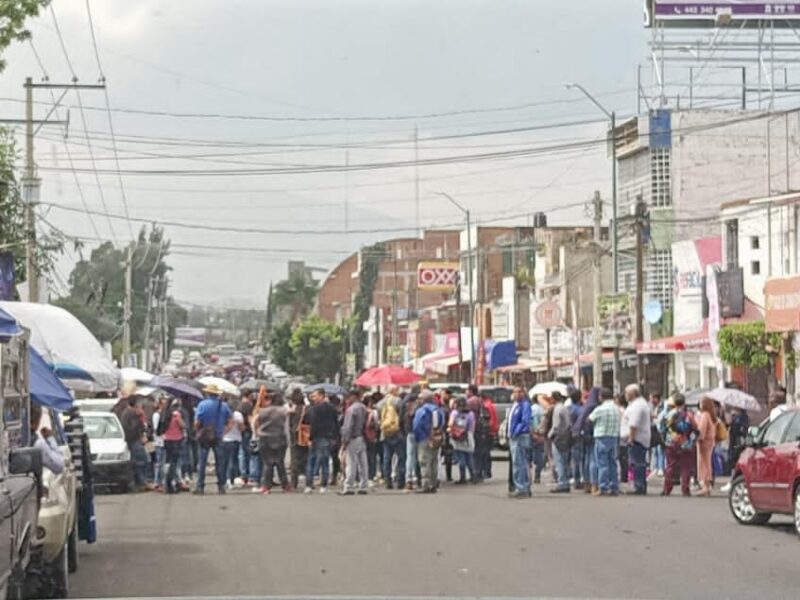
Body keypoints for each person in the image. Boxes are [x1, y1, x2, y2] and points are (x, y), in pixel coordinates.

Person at [193, 384, 233, 495]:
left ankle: (200, 486)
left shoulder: (202, 405)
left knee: (202, 462)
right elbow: (230, 421)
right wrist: (224, 431)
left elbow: (197, 422)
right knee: (220, 462)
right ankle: (221, 486)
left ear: (207, 393)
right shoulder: (224, 405)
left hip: (205, 436)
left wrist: (198, 431)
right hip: (218, 436)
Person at [660, 393, 698, 497]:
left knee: (670, 466)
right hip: (686, 444)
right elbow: (695, 428)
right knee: (686, 467)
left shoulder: (668, 414)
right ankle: (685, 489)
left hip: (671, 442)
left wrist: (664, 440)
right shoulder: (689, 415)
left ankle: (667, 488)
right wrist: (692, 440)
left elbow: (662, 428)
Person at [254, 391, 291, 494]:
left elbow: (254, 422)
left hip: (264, 438)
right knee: (280, 462)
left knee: (267, 463)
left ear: (269, 400)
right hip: (280, 437)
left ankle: (266, 486)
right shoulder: (283, 411)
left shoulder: (262, 411)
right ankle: (285, 485)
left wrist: (256, 432)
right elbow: (287, 425)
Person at [305, 389, 339, 494]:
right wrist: (335, 437)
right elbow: (336, 423)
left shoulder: (313, 409)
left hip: (316, 437)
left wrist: (310, 438)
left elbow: (311, 424)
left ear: (321, 396)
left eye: (315, 396)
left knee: (311, 461)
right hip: (329, 437)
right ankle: (324, 485)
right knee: (325, 462)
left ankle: (309, 485)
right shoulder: (332, 408)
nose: (313, 398)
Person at [588, 388, 621, 496]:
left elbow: (589, 419)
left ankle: (603, 487)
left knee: (602, 463)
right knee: (613, 463)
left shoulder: (600, 409)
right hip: (614, 436)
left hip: (601, 436)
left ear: (601, 397)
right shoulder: (617, 409)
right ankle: (614, 486)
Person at [412, 390, 445, 494]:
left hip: (423, 438)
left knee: (424, 461)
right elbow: (442, 422)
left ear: (424, 399)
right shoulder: (438, 410)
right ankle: (433, 483)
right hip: (436, 438)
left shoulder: (421, 411)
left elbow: (416, 425)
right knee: (434, 461)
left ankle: (425, 484)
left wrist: (419, 436)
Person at [623, 384, 651, 495]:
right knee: (637, 462)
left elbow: (634, 424)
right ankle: (639, 484)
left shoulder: (638, 405)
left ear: (632, 394)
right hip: (639, 438)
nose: (625, 395)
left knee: (637, 463)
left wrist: (631, 438)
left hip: (638, 439)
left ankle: (639, 486)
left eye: (626, 393)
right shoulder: (636, 404)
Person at [340, 391, 369, 495]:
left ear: (353, 397)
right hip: (362, 437)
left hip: (353, 438)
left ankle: (349, 486)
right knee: (363, 463)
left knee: (351, 462)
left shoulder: (351, 410)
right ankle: (364, 485)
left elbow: (348, 427)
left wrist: (344, 440)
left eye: (347, 398)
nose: (346, 400)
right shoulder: (364, 408)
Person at [377, 387, 406, 490]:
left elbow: (379, 419)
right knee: (401, 457)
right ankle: (400, 481)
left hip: (385, 433)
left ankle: (387, 481)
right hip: (398, 433)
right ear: (394, 391)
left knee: (387, 458)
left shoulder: (380, 403)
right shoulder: (399, 401)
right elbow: (402, 418)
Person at [573, 387, 600, 495]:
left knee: (586, 459)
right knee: (592, 459)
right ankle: (591, 481)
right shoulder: (594, 406)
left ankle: (586, 482)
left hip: (583, 435)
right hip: (590, 434)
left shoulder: (586, 405)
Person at [507, 386, 532, 499]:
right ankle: (523, 487)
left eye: (519, 392)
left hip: (520, 437)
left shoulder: (524, 405)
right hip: (514, 437)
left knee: (519, 463)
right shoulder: (515, 405)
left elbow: (524, 421)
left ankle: (521, 487)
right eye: (515, 392)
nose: (517, 394)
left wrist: (516, 432)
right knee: (519, 462)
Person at [121, 396, 150, 491]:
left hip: (130, 440)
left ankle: (140, 482)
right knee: (141, 461)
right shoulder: (132, 414)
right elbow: (135, 427)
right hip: (134, 440)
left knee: (138, 461)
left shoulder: (125, 412)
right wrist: (141, 432)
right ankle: (142, 482)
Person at [30, 402, 65, 475]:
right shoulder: (38, 444)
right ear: (36, 421)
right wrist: (50, 439)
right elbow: (59, 465)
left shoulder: (7, 437)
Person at [448, 396, 476, 485]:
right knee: (469, 457)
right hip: (468, 436)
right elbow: (473, 426)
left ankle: (462, 477)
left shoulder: (455, 413)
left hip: (458, 435)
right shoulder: (471, 413)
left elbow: (450, 424)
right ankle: (473, 476)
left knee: (461, 457)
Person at [548, 391, 572, 493]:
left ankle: (562, 483)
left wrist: (550, 435)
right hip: (566, 436)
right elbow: (568, 423)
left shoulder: (557, 409)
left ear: (553, 398)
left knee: (559, 460)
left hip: (558, 437)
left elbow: (556, 425)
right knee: (564, 460)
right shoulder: (564, 408)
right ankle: (565, 482)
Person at [473, 389, 498, 482]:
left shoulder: (486, 406)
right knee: (486, 453)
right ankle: (486, 471)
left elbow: (488, 420)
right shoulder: (490, 405)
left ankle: (485, 471)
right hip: (490, 431)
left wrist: (488, 429)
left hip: (487, 432)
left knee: (483, 453)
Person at [162, 398, 186, 494]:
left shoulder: (164, 414)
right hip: (176, 439)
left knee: (167, 462)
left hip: (167, 439)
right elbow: (183, 425)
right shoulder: (176, 414)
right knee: (174, 463)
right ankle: (171, 482)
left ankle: (167, 482)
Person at [288, 389, 309, 490]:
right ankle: (308, 482)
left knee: (294, 459)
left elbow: (289, 424)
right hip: (305, 435)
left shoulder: (292, 410)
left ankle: (293, 482)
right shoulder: (307, 409)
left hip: (294, 434)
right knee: (306, 457)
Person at [695, 396, 717, 497]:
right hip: (710, 441)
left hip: (704, 442)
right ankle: (707, 485)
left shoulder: (704, 415)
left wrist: (697, 437)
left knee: (703, 463)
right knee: (707, 462)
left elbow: (701, 429)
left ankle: (705, 485)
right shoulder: (712, 415)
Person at [221, 399, 245, 488]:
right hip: (235, 439)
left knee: (225, 461)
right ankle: (231, 479)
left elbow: (222, 428)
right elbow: (242, 429)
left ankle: (226, 480)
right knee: (234, 460)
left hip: (225, 439)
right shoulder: (238, 415)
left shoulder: (223, 414)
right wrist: (237, 424)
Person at [401, 385, 421, 491]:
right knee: (419, 456)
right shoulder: (420, 405)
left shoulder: (405, 404)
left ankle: (408, 478)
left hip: (409, 432)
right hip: (419, 433)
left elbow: (401, 418)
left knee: (410, 456)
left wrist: (403, 431)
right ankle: (418, 477)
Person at [152, 397, 168, 492]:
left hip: (164, 441)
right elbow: (156, 429)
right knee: (159, 462)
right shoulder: (157, 415)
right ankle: (157, 482)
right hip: (159, 441)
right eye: (163, 403)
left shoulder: (165, 415)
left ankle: (160, 481)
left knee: (162, 462)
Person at [238, 391, 254, 485]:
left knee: (241, 453)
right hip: (247, 431)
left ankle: (242, 474)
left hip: (239, 431)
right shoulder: (248, 406)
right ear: (249, 396)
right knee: (248, 453)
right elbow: (250, 419)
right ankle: (247, 474)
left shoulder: (238, 405)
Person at [649, 392, 666, 478]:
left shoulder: (663, 406)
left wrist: (655, 416)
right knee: (654, 450)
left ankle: (661, 468)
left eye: (652, 398)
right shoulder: (653, 407)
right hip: (654, 429)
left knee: (660, 450)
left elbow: (661, 417)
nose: (650, 400)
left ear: (656, 398)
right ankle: (655, 467)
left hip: (661, 430)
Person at [530, 396, 546, 484]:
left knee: (529, 454)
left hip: (532, 434)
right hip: (540, 435)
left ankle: (529, 475)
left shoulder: (531, 409)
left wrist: (533, 433)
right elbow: (544, 422)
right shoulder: (542, 410)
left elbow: (531, 422)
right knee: (540, 454)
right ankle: (537, 476)